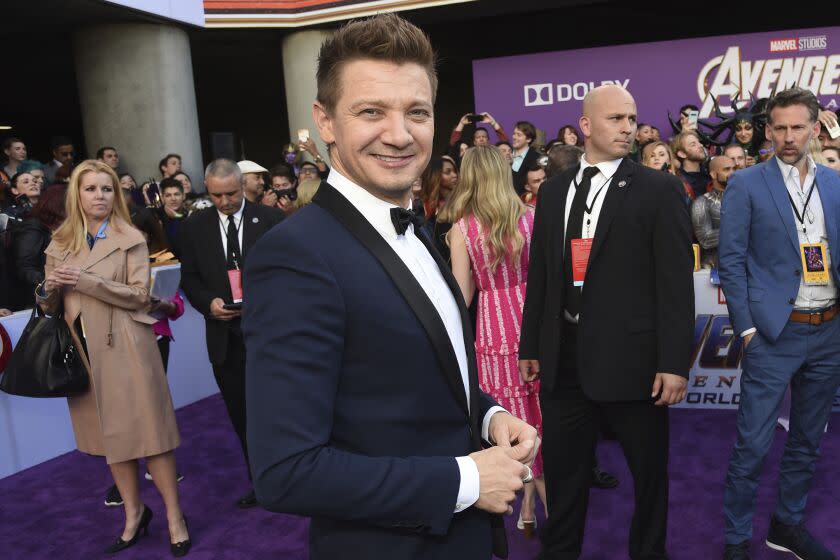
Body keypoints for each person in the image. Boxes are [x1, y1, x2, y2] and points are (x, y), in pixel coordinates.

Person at [243, 14, 539, 560]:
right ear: (325, 121)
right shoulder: (297, 256)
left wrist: (490, 415)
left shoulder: (418, 226)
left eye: (417, 112)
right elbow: (286, 472)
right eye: (371, 111)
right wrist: (466, 482)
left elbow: (428, 375)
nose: (400, 135)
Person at [519, 84, 694, 560]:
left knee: (649, 478)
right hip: (564, 361)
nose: (628, 128)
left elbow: (676, 285)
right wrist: (531, 344)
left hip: (635, 364)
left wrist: (674, 362)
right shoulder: (554, 191)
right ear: (586, 125)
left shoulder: (658, 188)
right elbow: (542, 275)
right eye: (616, 118)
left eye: (632, 118)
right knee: (565, 476)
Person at [36, 160, 190, 556]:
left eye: (107, 189)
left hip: (129, 345)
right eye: (91, 189)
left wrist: (84, 280)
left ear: (116, 195)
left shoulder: (131, 237)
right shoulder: (60, 241)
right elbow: (53, 304)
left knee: (152, 436)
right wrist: (46, 289)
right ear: (77, 195)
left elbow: (141, 295)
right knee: (111, 439)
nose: (99, 196)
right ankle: (134, 514)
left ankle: (175, 517)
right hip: (83, 351)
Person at [719, 87, 840, 560]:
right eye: (780, 128)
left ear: (815, 127)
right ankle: (735, 541)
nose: (789, 137)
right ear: (768, 131)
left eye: (798, 127)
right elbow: (731, 262)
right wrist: (747, 330)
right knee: (752, 445)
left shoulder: (833, 183)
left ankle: (786, 525)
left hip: (828, 330)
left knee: (808, 442)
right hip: (774, 332)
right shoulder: (746, 184)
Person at [446, 145, 546, 538]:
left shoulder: (461, 230)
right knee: (540, 417)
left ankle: (527, 506)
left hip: (493, 333)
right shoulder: (531, 219)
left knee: (511, 420)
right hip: (533, 324)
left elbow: (461, 298)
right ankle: (535, 509)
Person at [178, 158, 284, 508]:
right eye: (216, 195)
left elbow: (289, 273)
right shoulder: (196, 226)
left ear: (243, 186)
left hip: (270, 335)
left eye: (231, 193)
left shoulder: (269, 220)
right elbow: (189, 278)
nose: (225, 202)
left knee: (281, 409)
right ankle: (261, 481)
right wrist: (208, 304)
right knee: (241, 414)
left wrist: (266, 302)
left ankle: (293, 473)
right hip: (224, 339)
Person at [10, 184, 67, 310]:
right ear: (58, 203)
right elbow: (25, 267)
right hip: (34, 301)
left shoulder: (62, 228)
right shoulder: (33, 228)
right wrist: (50, 282)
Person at [692, 156, 734, 269]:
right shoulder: (702, 202)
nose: (732, 173)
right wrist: (739, 229)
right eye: (727, 169)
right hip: (715, 268)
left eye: (734, 169)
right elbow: (705, 239)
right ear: (713, 174)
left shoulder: (747, 198)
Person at [420, 154, 459, 261]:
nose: (454, 175)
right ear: (436, 175)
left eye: (455, 171)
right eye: (448, 172)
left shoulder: (462, 203)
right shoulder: (424, 206)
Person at [511, 121, 540, 195]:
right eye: (514, 134)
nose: (514, 137)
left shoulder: (536, 158)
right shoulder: (507, 154)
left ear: (528, 139)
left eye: (519, 135)